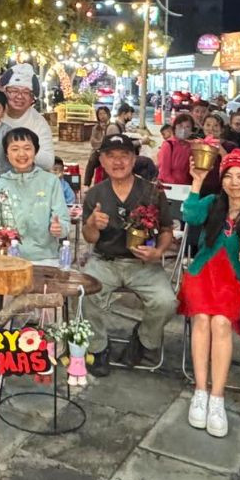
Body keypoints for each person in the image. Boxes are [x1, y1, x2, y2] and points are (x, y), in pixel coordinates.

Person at [179, 150, 240, 437]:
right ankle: (200, 391)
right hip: (202, 273)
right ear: (221, 181)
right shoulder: (212, 204)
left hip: (234, 280)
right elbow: (189, 215)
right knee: (201, 319)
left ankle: (217, 397)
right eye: (229, 176)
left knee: (220, 323)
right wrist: (197, 182)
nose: (234, 183)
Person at [82, 134, 176, 376]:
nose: (118, 162)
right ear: (102, 161)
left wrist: (158, 252)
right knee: (83, 294)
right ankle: (98, 346)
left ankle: (144, 339)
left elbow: (167, 230)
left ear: (134, 159)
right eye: (111, 156)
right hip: (105, 261)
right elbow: (89, 238)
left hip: (143, 264)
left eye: (124, 156)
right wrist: (92, 224)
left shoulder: (152, 192)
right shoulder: (95, 194)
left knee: (166, 302)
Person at [0, 129, 71, 263]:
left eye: (27, 148)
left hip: (46, 259)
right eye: (15, 149)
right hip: (11, 259)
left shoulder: (51, 181)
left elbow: (63, 221)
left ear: (35, 151)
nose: (21, 154)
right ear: (6, 154)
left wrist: (59, 228)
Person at [0, 63, 55, 170]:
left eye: (26, 92)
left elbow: (49, 162)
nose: (19, 96)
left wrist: (25, 148)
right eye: (14, 91)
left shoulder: (38, 122)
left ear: (33, 98)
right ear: (4, 92)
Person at [158, 112, 194, 185]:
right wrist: (176, 185)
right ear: (174, 128)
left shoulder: (190, 147)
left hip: (186, 187)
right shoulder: (168, 145)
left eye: (187, 127)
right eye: (180, 126)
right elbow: (164, 173)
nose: (184, 129)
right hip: (169, 186)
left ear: (191, 131)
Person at [82, 106, 113, 188]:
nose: (102, 116)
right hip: (98, 151)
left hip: (110, 152)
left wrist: (104, 143)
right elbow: (93, 142)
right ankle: (86, 184)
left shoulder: (112, 127)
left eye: (104, 113)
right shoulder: (96, 128)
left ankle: (106, 186)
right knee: (92, 160)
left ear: (108, 114)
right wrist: (103, 143)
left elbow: (112, 141)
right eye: (100, 114)